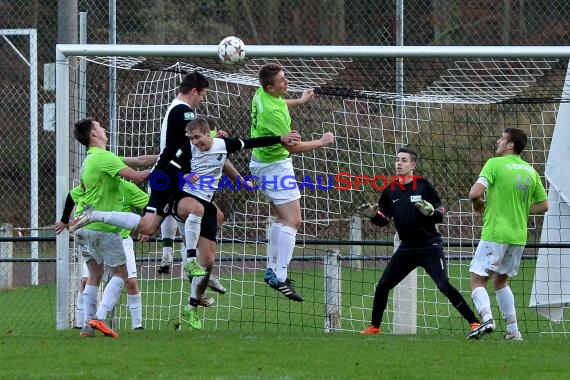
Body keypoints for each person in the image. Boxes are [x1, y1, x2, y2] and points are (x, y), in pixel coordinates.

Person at [164, 117, 301, 328]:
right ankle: (187, 257)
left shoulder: (223, 145)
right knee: (195, 211)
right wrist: (185, 175)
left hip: (205, 203)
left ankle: (191, 307)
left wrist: (281, 138)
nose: (194, 142)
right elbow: (169, 170)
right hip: (183, 199)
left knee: (208, 262)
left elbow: (253, 142)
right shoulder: (187, 149)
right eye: (191, 138)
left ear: (209, 133)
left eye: (198, 137)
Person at [359, 147, 482, 337]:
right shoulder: (390, 190)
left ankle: (474, 322)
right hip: (406, 247)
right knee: (383, 285)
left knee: (443, 285)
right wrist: (372, 216)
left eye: (404, 160)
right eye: (397, 160)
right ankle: (374, 327)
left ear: (413, 165)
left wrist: (431, 212)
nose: (399, 163)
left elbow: (440, 211)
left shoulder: (423, 186)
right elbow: (384, 220)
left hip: (429, 246)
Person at [70, 71, 209, 238]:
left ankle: (180, 259)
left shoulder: (175, 108)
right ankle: (189, 259)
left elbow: (152, 156)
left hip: (169, 173)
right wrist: (218, 140)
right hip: (170, 174)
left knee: (150, 226)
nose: (202, 99)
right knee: (204, 216)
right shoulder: (184, 111)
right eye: (202, 94)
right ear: (194, 91)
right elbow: (198, 138)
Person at [249, 63, 335, 302]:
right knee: (294, 220)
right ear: (270, 86)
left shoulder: (261, 94)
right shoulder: (272, 113)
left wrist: (299, 101)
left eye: (285, 78)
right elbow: (293, 146)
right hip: (274, 167)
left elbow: (280, 103)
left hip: (262, 164)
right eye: (282, 81)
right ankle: (281, 276)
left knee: (281, 218)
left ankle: (272, 270)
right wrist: (321, 141)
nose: (286, 82)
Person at [70, 117, 150, 337]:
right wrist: (167, 170)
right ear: (94, 134)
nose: (103, 129)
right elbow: (138, 176)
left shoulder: (91, 159)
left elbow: (139, 161)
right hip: (102, 227)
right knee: (121, 274)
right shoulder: (104, 157)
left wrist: (165, 156)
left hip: (83, 225)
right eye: (99, 126)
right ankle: (99, 318)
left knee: (94, 275)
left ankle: (87, 326)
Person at [467, 128, 549, 341]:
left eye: (502, 139)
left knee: (478, 280)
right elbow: (544, 205)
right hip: (518, 237)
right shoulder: (531, 171)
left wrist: (478, 202)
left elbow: (474, 193)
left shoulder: (494, 164)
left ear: (510, 145)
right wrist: (519, 210)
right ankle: (513, 331)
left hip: (496, 233)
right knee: (501, 282)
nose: (498, 141)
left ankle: (486, 318)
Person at [55, 179, 149, 330]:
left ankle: (137, 326)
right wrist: (66, 220)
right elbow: (72, 196)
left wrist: (146, 226)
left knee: (130, 282)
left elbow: (150, 205)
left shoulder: (127, 187)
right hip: (95, 237)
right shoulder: (94, 184)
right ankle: (83, 324)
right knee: (87, 280)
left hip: (120, 239)